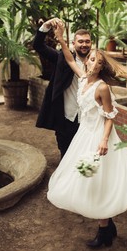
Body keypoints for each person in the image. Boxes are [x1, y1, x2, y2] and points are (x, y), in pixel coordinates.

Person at [47, 20, 127, 248]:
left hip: (99, 137)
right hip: (84, 134)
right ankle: (108, 226)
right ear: (87, 60)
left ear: (101, 67)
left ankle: (103, 232)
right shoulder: (82, 80)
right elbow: (69, 58)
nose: (93, 64)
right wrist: (60, 37)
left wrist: (103, 141)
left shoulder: (102, 87)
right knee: (85, 178)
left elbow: (110, 116)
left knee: (99, 183)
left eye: (98, 62)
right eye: (91, 59)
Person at [33, 18, 92, 158]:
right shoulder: (61, 58)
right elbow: (38, 46)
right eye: (81, 41)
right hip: (66, 119)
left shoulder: (96, 62)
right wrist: (45, 26)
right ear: (73, 43)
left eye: (87, 41)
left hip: (87, 120)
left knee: (86, 156)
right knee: (66, 156)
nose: (84, 45)